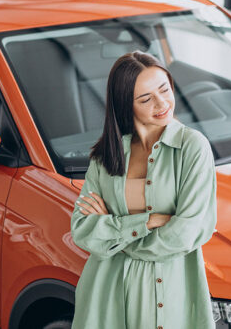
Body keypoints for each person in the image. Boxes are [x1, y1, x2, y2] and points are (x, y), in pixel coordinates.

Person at [70, 51, 217, 329]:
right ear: (127, 105)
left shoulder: (192, 147)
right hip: (105, 295)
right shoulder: (105, 156)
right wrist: (147, 222)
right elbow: (82, 230)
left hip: (173, 296)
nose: (162, 103)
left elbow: (186, 233)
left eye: (164, 90)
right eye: (146, 99)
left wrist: (117, 238)